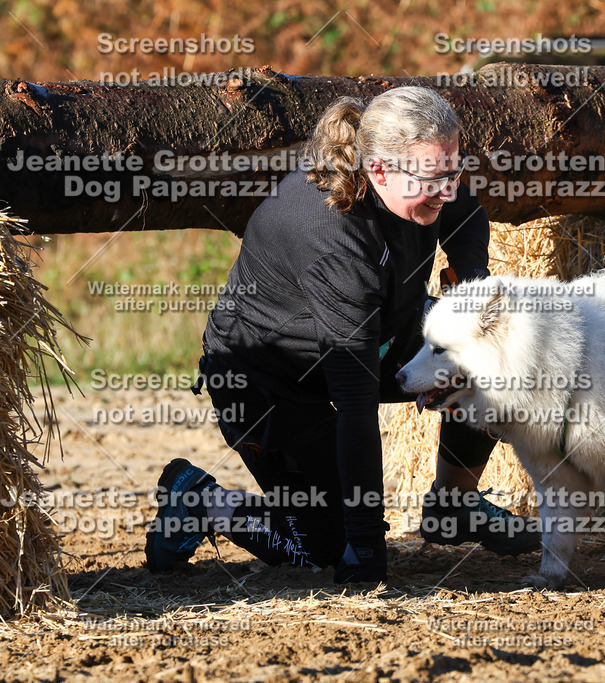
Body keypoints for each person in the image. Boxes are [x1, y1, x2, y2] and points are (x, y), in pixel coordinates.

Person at [144, 86, 541, 583]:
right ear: (378, 172)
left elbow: (465, 212)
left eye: (453, 172)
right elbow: (355, 407)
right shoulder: (336, 239)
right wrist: (367, 548)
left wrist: (472, 284)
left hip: (378, 332)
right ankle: (199, 501)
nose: (447, 188)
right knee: (325, 544)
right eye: (433, 180)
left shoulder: (428, 171)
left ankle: (453, 504)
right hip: (268, 381)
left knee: (484, 352)